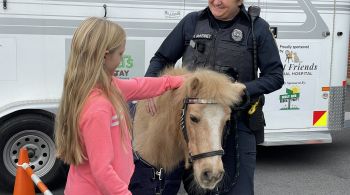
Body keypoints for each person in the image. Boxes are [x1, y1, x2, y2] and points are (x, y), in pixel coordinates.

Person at [130, 0, 284, 194]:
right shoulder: (191, 22)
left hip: (237, 124)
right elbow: (162, 58)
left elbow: (275, 77)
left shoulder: (256, 28)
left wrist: (243, 88)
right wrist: (149, 87)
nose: (216, 1)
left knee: (239, 190)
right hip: (193, 125)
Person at [54, 17, 184, 195]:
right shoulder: (98, 107)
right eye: (120, 54)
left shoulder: (110, 86)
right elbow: (102, 171)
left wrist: (176, 81)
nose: (121, 59)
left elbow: (140, 85)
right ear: (106, 55)